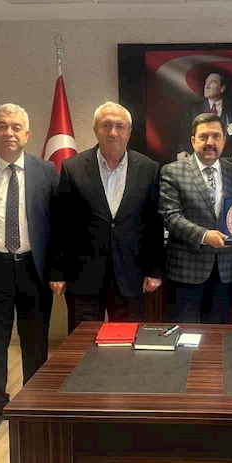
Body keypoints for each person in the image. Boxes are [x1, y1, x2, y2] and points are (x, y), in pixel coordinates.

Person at [0, 103, 58, 438]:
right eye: (2, 126)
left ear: (27, 135)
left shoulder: (47, 171)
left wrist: (57, 270)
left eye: (16, 127)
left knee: (35, 341)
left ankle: (34, 403)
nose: (9, 133)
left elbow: (56, 225)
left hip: (34, 268)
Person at [49, 102, 164, 332]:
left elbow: (153, 223)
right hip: (83, 276)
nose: (113, 132)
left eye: (120, 126)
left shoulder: (149, 169)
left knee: (126, 342)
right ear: (96, 130)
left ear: (129, 132)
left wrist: (155, 270)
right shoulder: (73, 167)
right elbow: (61, 224)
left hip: (130, 275)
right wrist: (57, 272)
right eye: (106, 125)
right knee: (82, 343)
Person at [160, 112, 232, 323]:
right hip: (186, 272)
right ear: (193, 141)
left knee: (218, 335)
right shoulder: (172, 171)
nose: (210, 142)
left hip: (224, 271)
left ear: (224, 140)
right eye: (203, 136)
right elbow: (170, 216)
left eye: (216, 136)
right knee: (184, 334)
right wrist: (205, 236)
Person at [179, 72, 232, 160]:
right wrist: (182, 151)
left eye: (213, 82)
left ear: (222, 88)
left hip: (228, 161)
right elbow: (184, 136)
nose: (207, 86)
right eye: (206, 82)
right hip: (200, 161)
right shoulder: (193, 110)